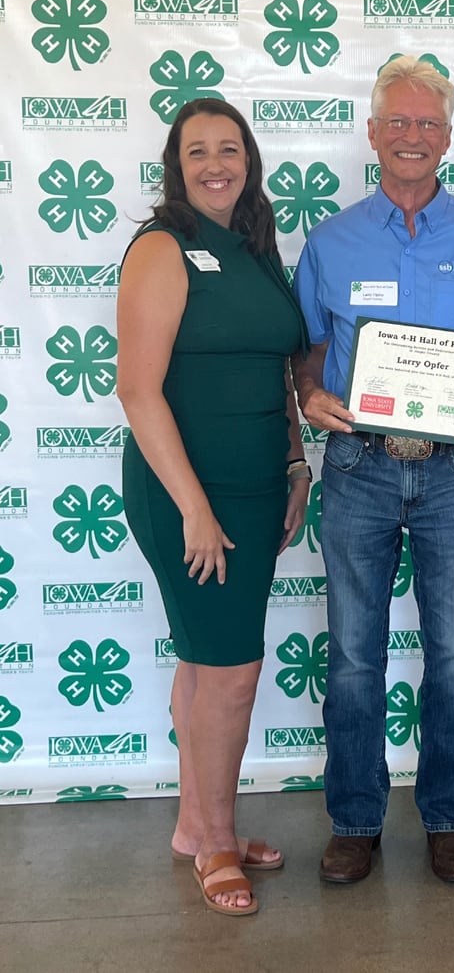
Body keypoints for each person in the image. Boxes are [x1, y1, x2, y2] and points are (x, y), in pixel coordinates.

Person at [291, 56, 454, 884]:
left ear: (447, 137)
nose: (412, 136)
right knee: (354, 658)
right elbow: (309, 347)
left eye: (428, 124)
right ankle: (355, 821)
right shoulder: (330, 240)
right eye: (397, 122)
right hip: (358, 465)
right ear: (371, 134)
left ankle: (449, 818)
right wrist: (307, 391)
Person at [117, 98, 310, 916]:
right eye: (197, 152)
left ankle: (197, 826)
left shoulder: (259, 249)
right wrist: (193, 506)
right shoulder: (163, 247)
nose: (215, 164)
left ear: (249, 161)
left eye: (229, 149)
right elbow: (138, 389)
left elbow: (279, 366)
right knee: (232, 671)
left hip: (261, 484)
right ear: (176, 165)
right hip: (187, 492)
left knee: (205, 662)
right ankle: (218, 842)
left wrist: (299, 461)